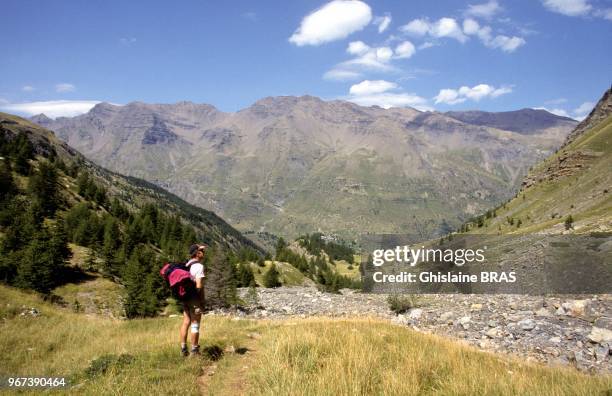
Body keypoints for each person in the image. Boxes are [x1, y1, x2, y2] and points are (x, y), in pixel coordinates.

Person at [180, 243, 207, 356]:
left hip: (185, 298)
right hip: (194, 299)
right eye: (202, 251)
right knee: (195, 324)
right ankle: (194, 350)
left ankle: (183, 348)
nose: (204, 253)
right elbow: (199, 285)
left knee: (186, 322)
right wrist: (201, 301)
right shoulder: (199, 266)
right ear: (197, 253)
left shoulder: (187, 264)